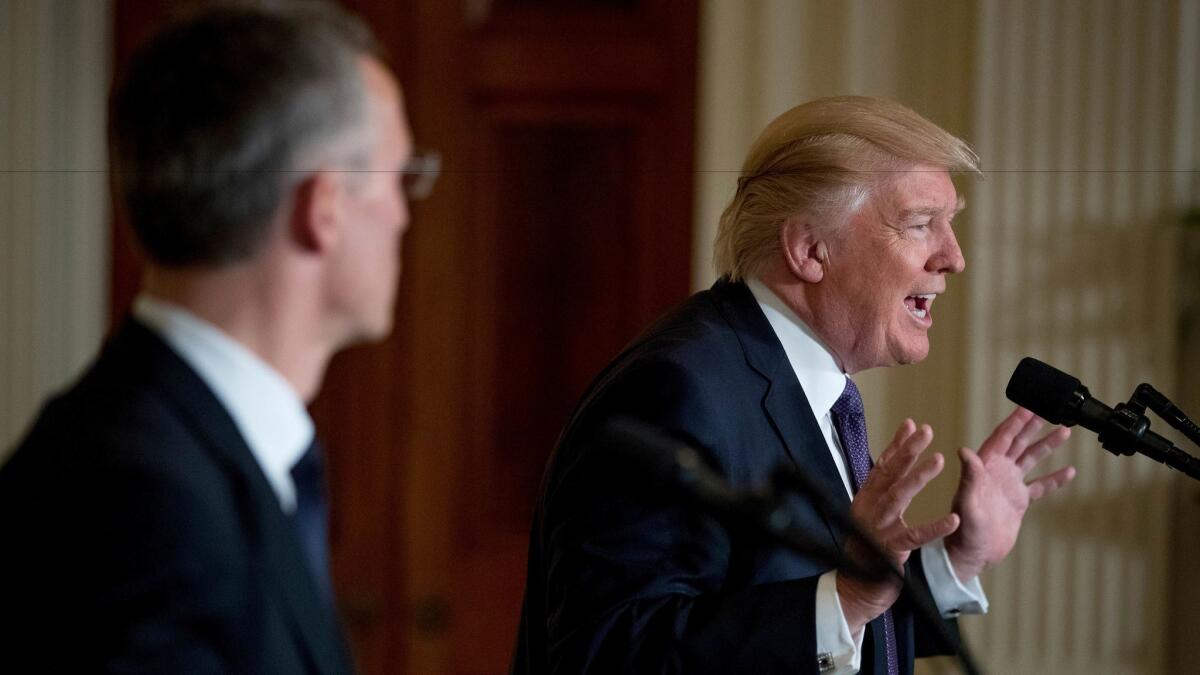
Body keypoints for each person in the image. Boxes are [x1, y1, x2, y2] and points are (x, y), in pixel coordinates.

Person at [511, 96, 1076, 674]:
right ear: (809, 249)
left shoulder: (802, 381)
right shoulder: (679, 388)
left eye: (949, 223)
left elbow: (811, 626)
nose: (954, 258)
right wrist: (845, 599)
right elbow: (608, 652)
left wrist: (955, 560)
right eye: (919, 224)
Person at [0, 2, 433, 672]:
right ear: (324, 209)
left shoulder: (158, 447)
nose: (405, 216)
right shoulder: (147, 504)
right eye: (401, 177)